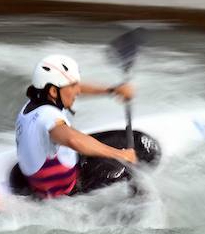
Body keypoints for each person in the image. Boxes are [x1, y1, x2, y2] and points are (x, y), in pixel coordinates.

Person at [14, 53, 137, 198]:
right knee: (130, 157)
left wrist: (112, 90)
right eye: (73, 86)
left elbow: (74, 89)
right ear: (53, 91)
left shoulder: (33, 104)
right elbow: (73, 140)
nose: (78, 91)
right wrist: (121, 154)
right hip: (64, 190)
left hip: (37, 183)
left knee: (95, 142)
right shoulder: (50, 117)